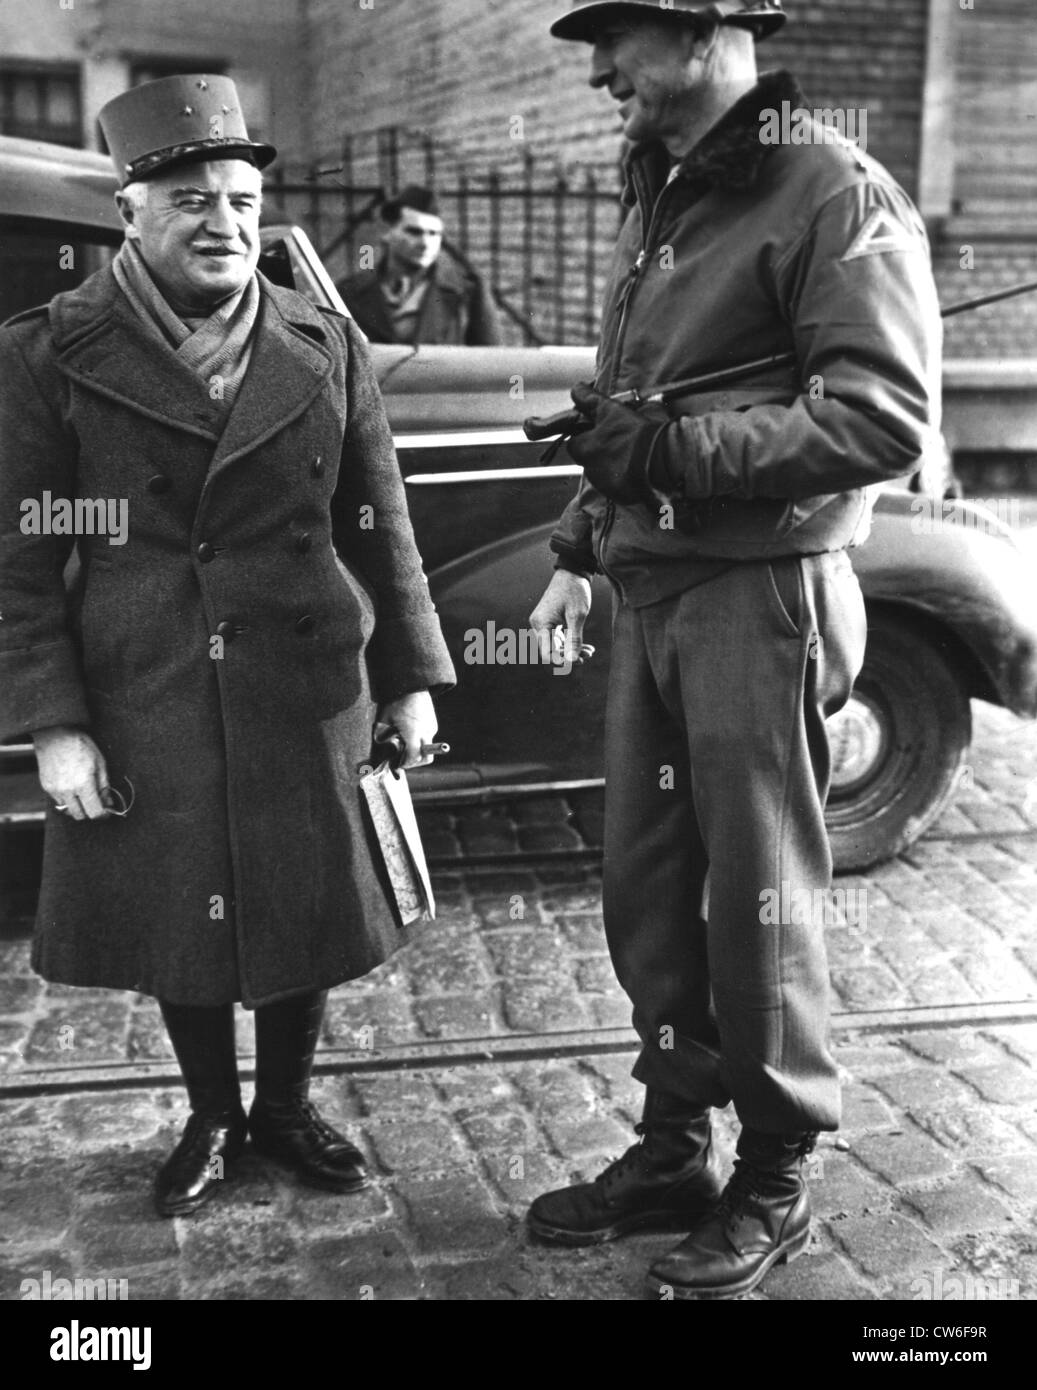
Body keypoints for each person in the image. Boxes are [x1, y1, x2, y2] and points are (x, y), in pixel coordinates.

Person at [527, 0, 942, 1299]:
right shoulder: (665, 190)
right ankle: (670, 1144)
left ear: (711, 32)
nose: (600, 70)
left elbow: (881, 418)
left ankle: (770, 1171)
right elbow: (641, 394)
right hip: (658, 588)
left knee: (757, 903)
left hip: (760, 596)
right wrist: (581, 540)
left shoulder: (833, 188)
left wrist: (668, 457)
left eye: (621, 38)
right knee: (651, 897)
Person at [0, 75, 455, 1218]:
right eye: (191, 198)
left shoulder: (322, 337)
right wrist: (56, 724)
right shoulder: (48, 354)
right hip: (146, 677)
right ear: (129, 212)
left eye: (244, 201)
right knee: (181, 903)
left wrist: (409, 678)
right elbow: (12, 559)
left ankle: (287, 1108)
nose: (226, 224)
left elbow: (378, 519)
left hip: (308, 679)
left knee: (305, 895)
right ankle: (210, 1111)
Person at [337, 185, 504, 345]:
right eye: (414, 232)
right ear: (386, 232)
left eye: (434, 234)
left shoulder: (465, 292)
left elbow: (489, 360)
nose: (425, 243)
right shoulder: (350, 291)